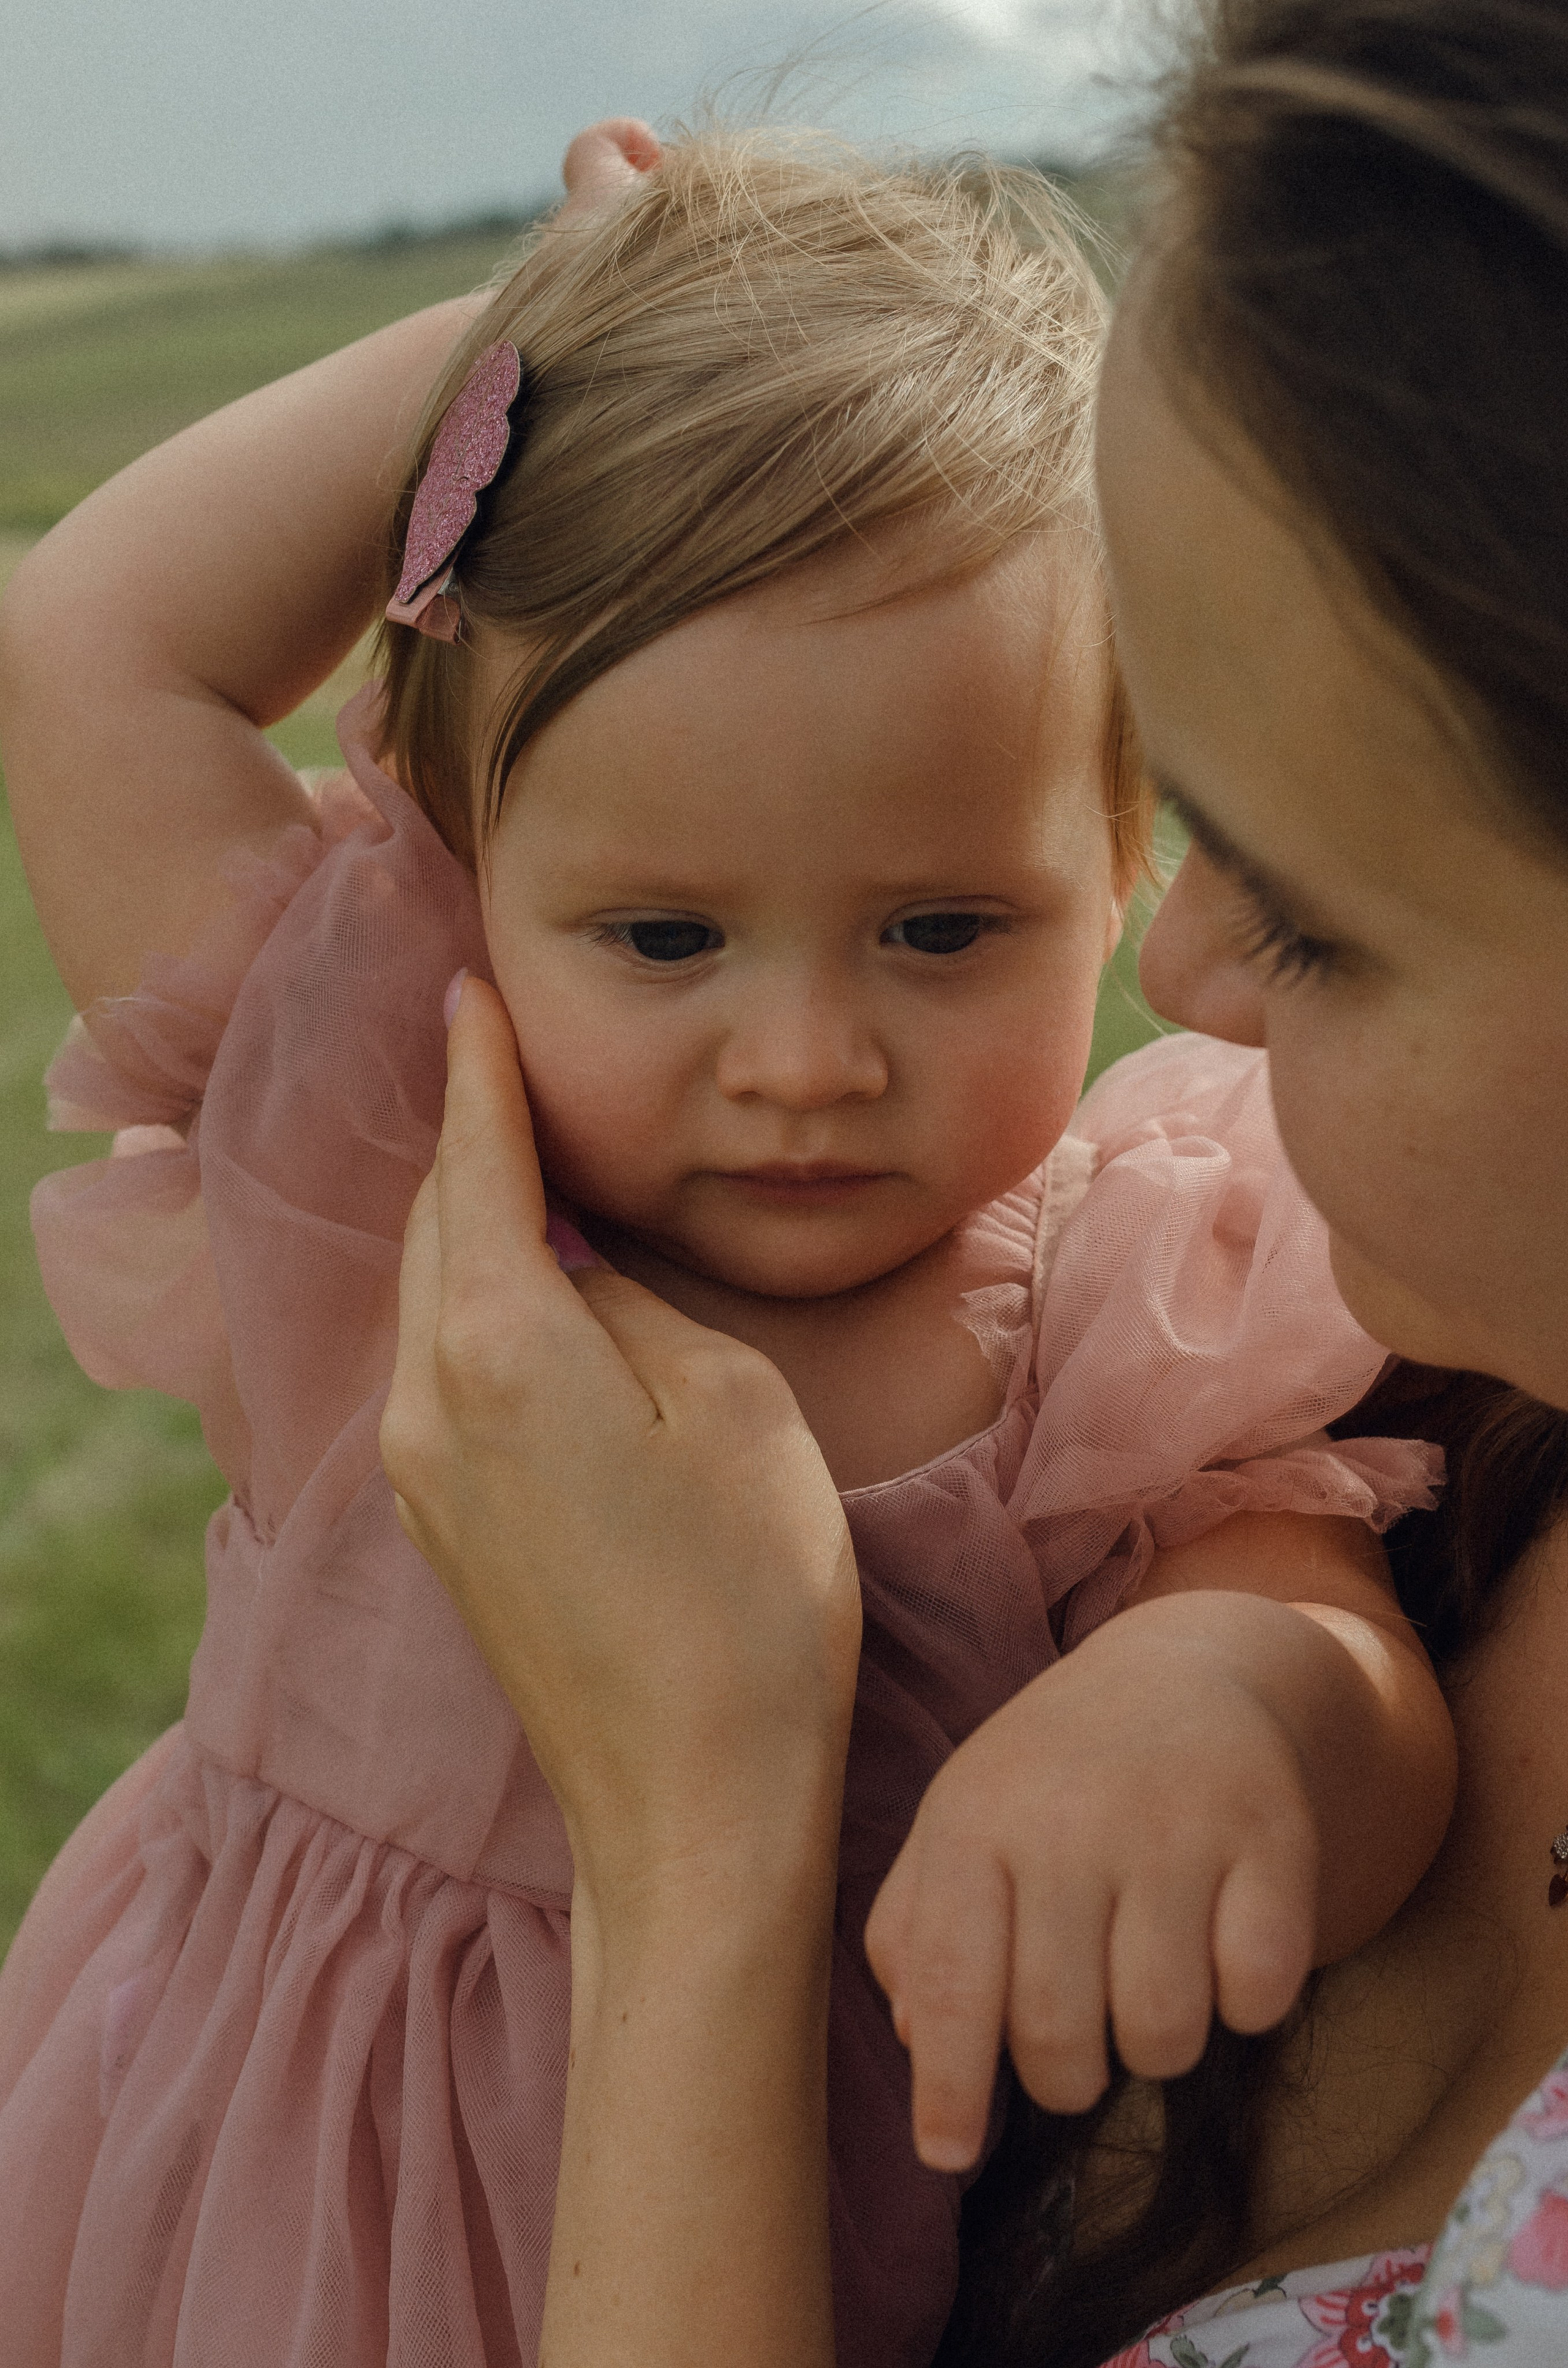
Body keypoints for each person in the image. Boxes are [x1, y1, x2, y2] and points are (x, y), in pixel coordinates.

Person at [0, 112, 1452, 2368]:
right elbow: (91, 639)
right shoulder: (396, 1163)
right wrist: (548, 344)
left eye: (944, 925)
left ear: (1126, 849)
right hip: (249, 2235)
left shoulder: (1105, 1278)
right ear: (472, 859)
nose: (803, 1056)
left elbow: (1311, 1604)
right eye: (666, 931)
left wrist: (1235, 1701)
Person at [374, 10, 1568, 2368]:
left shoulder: (1175, 1302)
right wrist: (607, 334)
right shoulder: (1460, 1320)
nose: (1186, 970)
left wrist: (707, 1836)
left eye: (1317, 899)